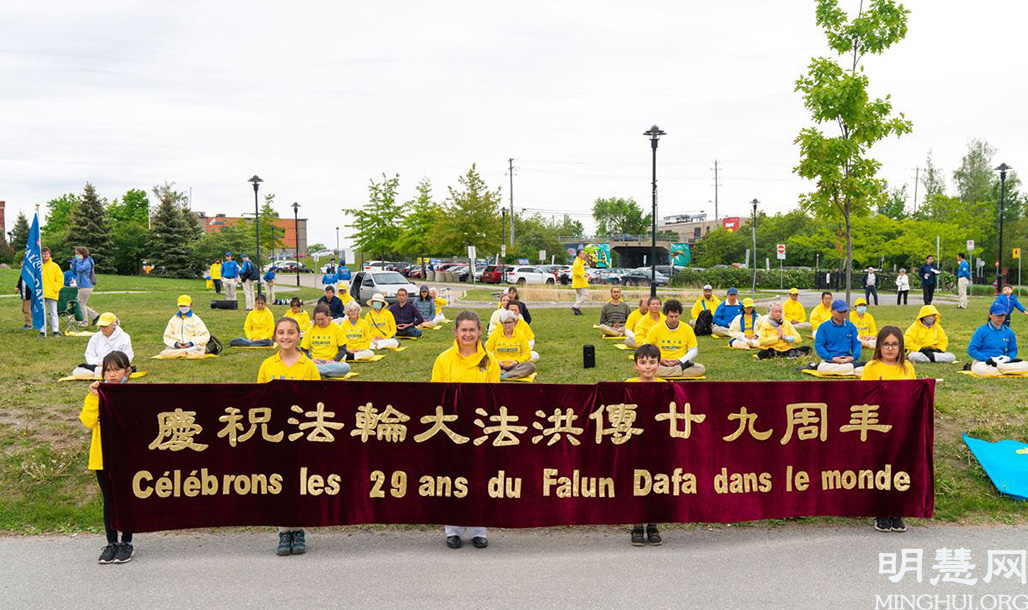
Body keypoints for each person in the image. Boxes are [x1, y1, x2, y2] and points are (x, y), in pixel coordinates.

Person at [431, 311, 499, 549]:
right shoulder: (443, 359)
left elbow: (494, 397)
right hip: (451, 427)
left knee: (479, 477)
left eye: (472, 330)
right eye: (464, 330)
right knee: (453, 478)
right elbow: (435, 396)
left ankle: (478, 528)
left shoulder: (490, 361)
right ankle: (453, 529)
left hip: (479, 428)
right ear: (456, 332)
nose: (468, 334)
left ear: (480, 331)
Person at [257, 317, 321, 556]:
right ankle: (284, 530)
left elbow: (318, 399)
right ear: (275, 336)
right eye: (281, 332)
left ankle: (299, 528)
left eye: (291, 332)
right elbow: (259, 398)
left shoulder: (309, 366)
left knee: (300, 481)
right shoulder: (267, 365)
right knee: (280, 481)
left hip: (302, 432)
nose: (286, 337)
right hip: (276, 432)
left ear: (299, 335)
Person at [79, 350, 135, 564]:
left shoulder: (133, 395)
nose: (112, 374)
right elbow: (87, 421)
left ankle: (127, 542)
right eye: (108, 370)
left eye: (117, 369)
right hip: (102, 457)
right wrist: (94, 398)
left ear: (127, 372)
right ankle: (111, 543)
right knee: (109, 500)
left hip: (126, 457)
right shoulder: (97, 394)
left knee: (126, 499)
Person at [861, 325, 914, 533]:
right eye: (886, 344)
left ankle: (897, 511)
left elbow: (913, 394)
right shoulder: (871, 367)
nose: (890, 348)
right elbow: (864, 396)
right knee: (881, 468)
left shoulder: (907, 368)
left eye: (894, 344)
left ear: (900, 346)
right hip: (878, 424)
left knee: (900, 467)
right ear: (879, 346)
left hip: (901, 423)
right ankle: (881, 511)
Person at [625, 342, 664, 546]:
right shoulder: (628, 384)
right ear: (636, 365)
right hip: (634, 441)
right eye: (643, 362)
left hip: (658, 441)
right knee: (635, 483)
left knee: (657, 482)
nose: (647, 367)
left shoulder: (665, 385)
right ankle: (637, 525)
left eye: (652, 362)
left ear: (658, 364)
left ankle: (653, 524)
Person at [643, 299, 706, 378]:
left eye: (676, 316)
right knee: (646, 368)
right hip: (661, 363)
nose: (674, 319)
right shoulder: (656, 329)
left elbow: (693, 350)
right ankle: (678, 372)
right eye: (671, 316)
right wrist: (659, 359)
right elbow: (645, 347)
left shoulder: (687, 329)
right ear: (666, 315)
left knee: (700, 369)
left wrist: (680, 360)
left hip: (680, 363)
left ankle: (669, 372)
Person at [967, 303, 1028, 376]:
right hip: (983, 362)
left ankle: (1001, 369)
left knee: (1026, 366)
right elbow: (972, 350)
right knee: (982, 370)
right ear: (990, 315)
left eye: (1002, 315)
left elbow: (1013, 350)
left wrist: (1009, 358)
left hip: (1001, 361)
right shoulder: (981, 330)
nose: (1000, 318)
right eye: (997, 315)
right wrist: (986, 358)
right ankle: (1007, 370)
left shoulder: (1009, 332)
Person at [72, 313, 134, 377]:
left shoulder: (124, 337)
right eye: (101, 326)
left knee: (116, 370)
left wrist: (113, 365)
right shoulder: (95, 337)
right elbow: (89, 354)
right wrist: (97, 363)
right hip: (97, 366)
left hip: (116, 366)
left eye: (106, 326)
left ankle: (105, 373)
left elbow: (128, 355)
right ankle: (102, 373)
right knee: (77, 371)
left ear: (114, 325)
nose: (103, 328)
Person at [811, 300, 863, 375]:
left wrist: (853, 357)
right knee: (822, 368)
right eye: (840, 312)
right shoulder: (823, 327)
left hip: (847, 360)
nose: (843, 314)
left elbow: (857, 343)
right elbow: (819, 345)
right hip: (830, 361)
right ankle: (850, 370)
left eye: (845, 311)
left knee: (867, 368)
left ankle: (847, 369)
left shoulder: (851, 326)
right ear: (831, 311)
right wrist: (831, 358)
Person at [299, 304, 352, 377]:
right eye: (318, 320)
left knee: (346, 367)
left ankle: (316, 371)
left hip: (332, 363)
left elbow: (342, 350)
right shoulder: (310, 330)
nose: (320, 322)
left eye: (322, 319)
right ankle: (322, 372)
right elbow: (303, 351)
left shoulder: (337, 329)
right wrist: (311, 359)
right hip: (316, 361)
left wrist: (333, 360)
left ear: (328, 317)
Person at [486, 309, 536, 379]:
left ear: (514, 322)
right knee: (484, 365)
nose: (507, 325)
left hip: (515, 366)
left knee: (531, 366)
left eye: (509, 322)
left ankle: (505, 375)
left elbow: (527, 354)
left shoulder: (520, 335)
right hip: (498, 364)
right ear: (501, 324)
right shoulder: (495, 335)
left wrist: (516, 362)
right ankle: (507, 374)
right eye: (505, 323)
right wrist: (497, 361)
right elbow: (486, 351)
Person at [69, 246, 99, 326]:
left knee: (80, 304)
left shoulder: (87, 262)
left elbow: (80, 269)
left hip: (86, 286)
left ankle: (84, 322)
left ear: (82, 254)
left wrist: (78, 261)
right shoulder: (80, 261)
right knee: (81, 304)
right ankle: (95, 316)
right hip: (81, 285)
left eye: (77, 254)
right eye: (75, 254)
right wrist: (74, 262)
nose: (76, 255)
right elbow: (75, 271)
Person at [41, 247, 63, 335]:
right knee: (41, 312)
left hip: (52, 292)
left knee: (53, 312)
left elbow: (60, 279)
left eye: (47, 253)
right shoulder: (38, 266)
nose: (45, 255)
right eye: (43, 253)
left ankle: (55, 330)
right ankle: (42, 330)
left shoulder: (55, 266)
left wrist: (55, 288)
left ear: (50, 254)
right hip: (41, 293)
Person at [571, 248, 589, 315]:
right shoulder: (577, 262)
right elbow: (576, 272)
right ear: (579, 254)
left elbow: (581, 271)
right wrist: (583, 275)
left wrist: (586, 274)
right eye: (583, 254)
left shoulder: (580, 261)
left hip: (579, 282)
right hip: (579, 282)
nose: (584, 255)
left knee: (579, 296)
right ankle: (575, 307)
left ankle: (577, 310)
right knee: (584, 294)